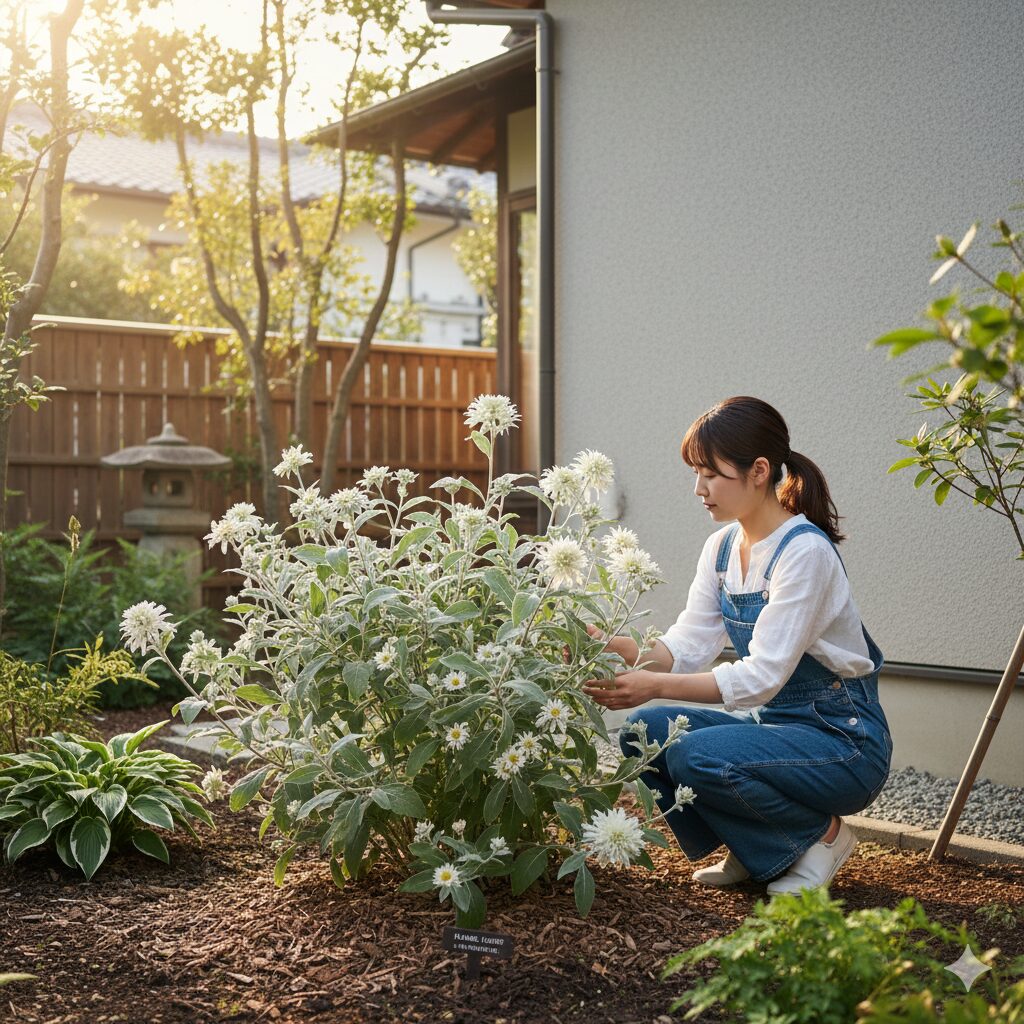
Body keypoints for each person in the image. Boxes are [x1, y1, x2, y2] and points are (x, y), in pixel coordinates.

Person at [583, 396, 893, 895]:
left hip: (842, 740)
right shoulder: (723, 548)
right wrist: (622, 648)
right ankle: (757, 850)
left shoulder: (805, 552)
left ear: (759, 471)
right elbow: (687, 644)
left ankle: (824, 837)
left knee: (695, 756)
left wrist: (653, 684)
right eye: (696, 473)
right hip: (773, 727)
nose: (698, 488)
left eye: (711, 474)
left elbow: (759, 678)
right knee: (644, 733)